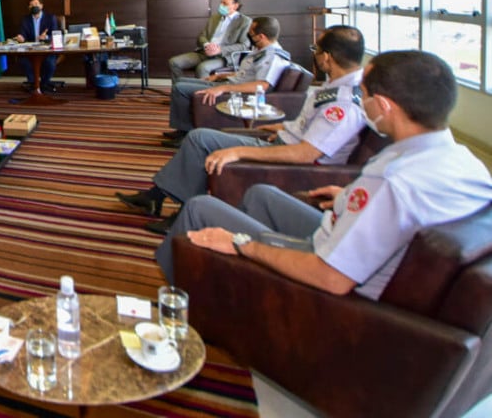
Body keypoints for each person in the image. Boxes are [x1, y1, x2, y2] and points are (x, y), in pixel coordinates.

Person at [155, 50, 492, 299]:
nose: (361, 102)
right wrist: (346, 198)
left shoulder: (393, 182)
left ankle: (175, 301)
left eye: (366, 95)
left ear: (385, 106)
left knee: (200, 208)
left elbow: (332, 277)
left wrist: (243, 245)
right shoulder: (467, 164)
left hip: (335, 278)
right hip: (350, 241)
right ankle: (230, 288)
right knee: (261, 195)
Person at [120, 26, 367, 234]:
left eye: (317, 50)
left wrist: (239, 152)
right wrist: (284, 126)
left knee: (199, 139)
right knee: (200, 139)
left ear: (328, 57)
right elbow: (312, 129)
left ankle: (172, 206)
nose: (315, 55)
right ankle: (159, 197)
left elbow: (306, 154)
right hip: (282, 141)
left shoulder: (343, 103)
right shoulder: (336, 87)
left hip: (291, 162)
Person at [162, 16, 291, 147]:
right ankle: (182, 130)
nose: (249, 35)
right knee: (181, 82)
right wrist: (220, 76)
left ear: (261, 36)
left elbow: (262, 85)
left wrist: (222, 88)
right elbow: (245, 75)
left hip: (233, 91)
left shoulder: (272, 57)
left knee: (180, 88)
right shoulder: (262, 51)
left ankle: (185, 133)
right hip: (229, 83)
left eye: (251, 33)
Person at [168, 0, 252, 81]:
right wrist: (207, 44)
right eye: (221, 3)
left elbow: (244, 45)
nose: (221, 5)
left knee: (202, 68)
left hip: (224, 57)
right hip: (205, 52)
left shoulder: (244, 21)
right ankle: (180, 89)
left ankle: (203, 93)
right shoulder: (214, 18)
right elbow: (202, 36)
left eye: (225, 3)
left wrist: (219, 50)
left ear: (235, 6)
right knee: (174, 62)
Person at [13, 0, 60, 91]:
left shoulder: (51, 18)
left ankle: (43, 84)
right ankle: (33, 84)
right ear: (29, 8)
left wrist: (46, 37)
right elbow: (22, 34)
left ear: (41, 6)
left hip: (47, 50)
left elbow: (57, 35)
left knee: (50, 63)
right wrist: (21, 38)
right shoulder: (25, 20)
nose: (34, 6)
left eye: (36, 4)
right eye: (31, 5)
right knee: (23, 61)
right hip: (31, 50)